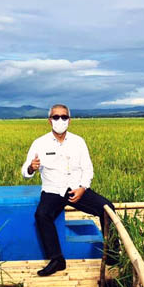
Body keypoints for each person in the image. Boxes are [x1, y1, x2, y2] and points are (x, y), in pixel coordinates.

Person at [22, 104, 119, 276]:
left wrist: (82, 188)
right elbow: (25, 172)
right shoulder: (39, 143)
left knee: (107, 208)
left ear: (69, 120)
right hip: (53, 190)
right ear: (49, 120)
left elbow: (88, 169)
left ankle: (112, 254)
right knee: (42, 215)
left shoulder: (78, 142)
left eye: (64, 117)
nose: (60, 120)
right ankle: (57, 260)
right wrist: (31, 167)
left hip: (76, 188)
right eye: (56, 117)